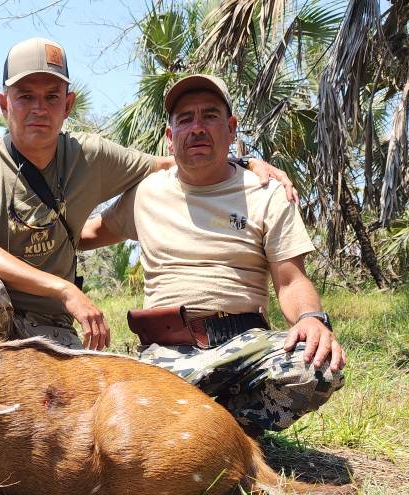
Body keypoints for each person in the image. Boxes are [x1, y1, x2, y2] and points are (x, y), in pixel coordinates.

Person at [0, 37, 295, 351]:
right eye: (25, 97)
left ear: (68, 105)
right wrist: (66, 291)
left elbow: (173, 162)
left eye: (51, 97)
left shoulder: (90, 155)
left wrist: (244, 164)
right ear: (5, 104)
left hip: (52, 324)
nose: (39, 108)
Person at [82, 74, 345, 434]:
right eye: (185, 119)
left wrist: (311, 319)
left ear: (232, 128)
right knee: (112, 411)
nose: (197, 127)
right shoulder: (145, 192)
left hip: (244, 345)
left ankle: (208, 430)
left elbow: (291, 280)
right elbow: (84, 235)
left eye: (210, 115)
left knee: (316, 369)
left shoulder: (266, 193)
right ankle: (210, 430)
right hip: (166, 348)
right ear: (170, 137)